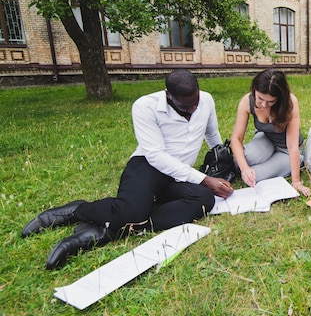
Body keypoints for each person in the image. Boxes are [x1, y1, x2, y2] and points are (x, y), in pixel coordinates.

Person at [21, 69, 234, 269]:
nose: (194, 109)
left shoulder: (205, 100)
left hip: (180, 175)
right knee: (133, 210)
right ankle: (77, 211)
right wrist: (204, 178)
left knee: (204, 200)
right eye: (187, 107)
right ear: (168, 95)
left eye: (195, 103)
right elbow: (156, 155)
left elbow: (211, 134)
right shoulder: (145, 106)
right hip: (148, 166)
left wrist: (224, 158)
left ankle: (113, 227)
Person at [230, 68, 311, 196]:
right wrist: (245, 168)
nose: (263, 105)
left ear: (280, 98)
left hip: (286, 150)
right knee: (242, 160)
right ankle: (263, 158)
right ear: (254, 91)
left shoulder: (290, 103)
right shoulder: (247, 100)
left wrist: (296, 181)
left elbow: (292, 146)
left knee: (255, 177)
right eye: (260, 98)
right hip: (266, 139)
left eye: (271, 101)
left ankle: (282, 163)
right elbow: (236, 138)